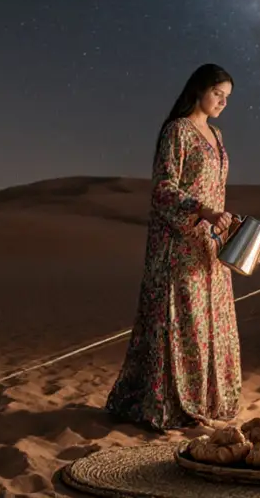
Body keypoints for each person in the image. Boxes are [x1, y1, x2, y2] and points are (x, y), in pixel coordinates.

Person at [104, 63, 242, 431]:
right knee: (184, 324)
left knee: (212, 322)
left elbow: (215, 188)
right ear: (199, 89)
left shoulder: (217, 135)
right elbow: (164, 188)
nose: (222, 103)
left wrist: (223, 220)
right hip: (178, 245)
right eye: (218, 94)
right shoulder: (177, 131)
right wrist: (203, 211)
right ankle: (172, 404)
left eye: (227, 98)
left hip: (209, 248)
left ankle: (207, 401)